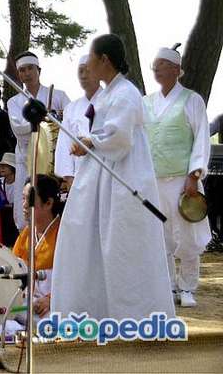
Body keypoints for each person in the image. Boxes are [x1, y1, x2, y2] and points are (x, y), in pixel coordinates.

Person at [51, 34, 174, 320]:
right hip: (98, 175)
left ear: (104, 59)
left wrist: (90, 142)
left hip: (123, 176)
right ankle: (94, 312)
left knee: (122, 246)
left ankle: (133, 316)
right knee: (86, 239)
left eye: (91, 58)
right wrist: (89, 142)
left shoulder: (126, 93)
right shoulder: (109, 93)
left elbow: (120, 136)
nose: (87, 65)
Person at [143, 45, 211, 308]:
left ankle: (187, 287)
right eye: (155, 66)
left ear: (175, 69)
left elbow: (201, 138)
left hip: (183, 180)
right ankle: (168, 285)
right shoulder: (147, 102)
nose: (157, 70)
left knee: (187, 233)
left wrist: (194, 175)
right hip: (153, 179)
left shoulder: (192, 100)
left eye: (162, 65)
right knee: (161, 235)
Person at [7, 52, 70, 231]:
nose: (26, 73)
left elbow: (72, 120)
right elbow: (19, 129)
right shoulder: (15, 102)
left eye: (30, 68)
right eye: (22, 70)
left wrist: (55, 119)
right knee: (24, 205)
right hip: (26, 159)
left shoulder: (58, 95)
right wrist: (44, 117)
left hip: (53, 160)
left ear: (38, 70)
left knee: (51, 201)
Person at [13, 175, 63, 318]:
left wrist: (50, 298)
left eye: (29, 200)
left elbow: (76, 279)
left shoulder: (64, 234)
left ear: (48, 203)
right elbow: (14, 267)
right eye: (23, 198)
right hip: (28, 303)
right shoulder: (27, 233)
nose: (24, 205)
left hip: (52, 305)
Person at [54, 56, 102, 190]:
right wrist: (68, 176)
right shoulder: (71, 108)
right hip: (80, 172)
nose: (84, 75)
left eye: (89, 70)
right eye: (81, 71)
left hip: (107, 169)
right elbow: (65, 143)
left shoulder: (112, 102)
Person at [0, 152, 19, 247]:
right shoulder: (0, 183)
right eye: (1, 166)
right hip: (4, 218)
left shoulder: (19, 183)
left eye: (5, 166)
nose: (1, 169)